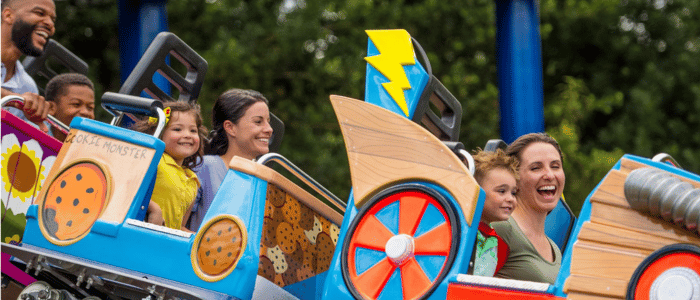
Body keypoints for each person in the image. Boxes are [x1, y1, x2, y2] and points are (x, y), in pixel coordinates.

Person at [186, 88, 273, 231]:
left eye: (268, 122)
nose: (269, 129)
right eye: (258, 122)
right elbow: (175, 226)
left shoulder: (265, 181)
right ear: (230, 128)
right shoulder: (204, 167)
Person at [492, 133, 564, 284]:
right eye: (536, 168)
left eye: (555, 166)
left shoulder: (554, 249)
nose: (549, 175)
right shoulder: (502, 228)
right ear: (515, 179)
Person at [132, 101, 207, 231]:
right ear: (159, 132)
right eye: (177, 129)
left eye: (193, 130)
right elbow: (125, 190)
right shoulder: (154, 160)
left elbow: (180, 226)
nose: (188, 135)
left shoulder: (192, 180)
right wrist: (152, 208)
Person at [1, 0, 56, 133]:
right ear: (8, 15)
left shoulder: (28, 86)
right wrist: (16, 100)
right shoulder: (24, 96)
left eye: (53, 19)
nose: (50, 24)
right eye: (40, 13)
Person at [469, 149, 518, 277]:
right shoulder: (458, 232)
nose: (510, 199)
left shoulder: (501, 248)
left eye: (513, 193)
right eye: (502, 191)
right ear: (476, 192)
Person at [44, 73, 95, 141]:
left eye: (90, 107)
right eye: (76, 104)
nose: (85, 112)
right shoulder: (31, 136)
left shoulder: (91, 148)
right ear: (51, 108)